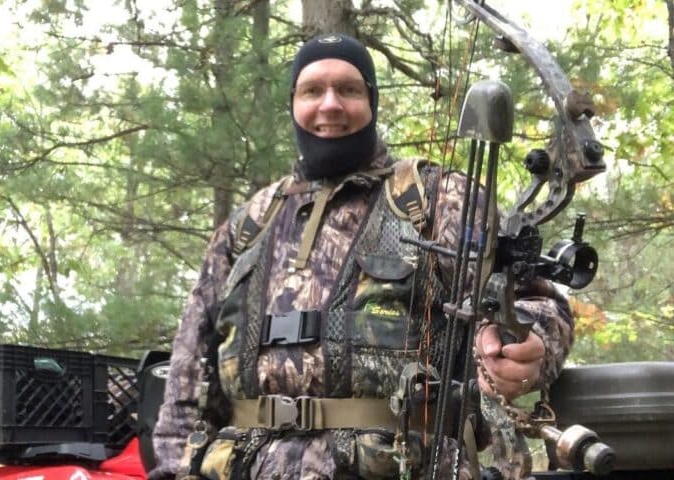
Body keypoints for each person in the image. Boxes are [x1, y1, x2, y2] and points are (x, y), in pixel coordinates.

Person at [150, 33, 573, 480]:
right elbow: (189, 372)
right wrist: (174, 469)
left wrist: (528, 344)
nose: (329, 105)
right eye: (312, 90)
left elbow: (538, 301)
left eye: (348, 89)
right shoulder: (249, 224)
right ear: (294, 103)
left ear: (371, 102)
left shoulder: (438, 198)